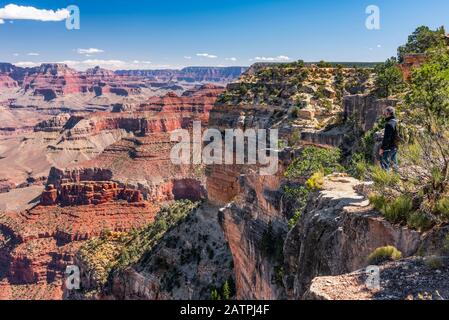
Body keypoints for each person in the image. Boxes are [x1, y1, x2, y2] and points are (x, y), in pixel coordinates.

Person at [379, 106, 399, 172]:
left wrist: (382, 148)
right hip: (395, 146)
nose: (384, 114)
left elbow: (387, 138)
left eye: (385, 113)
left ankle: (385, 179)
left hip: (388, 147)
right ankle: (396, 178)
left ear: (388, 113)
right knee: (394, 164)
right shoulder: (396, 122)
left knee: (384, 162)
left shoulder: (389, 124)